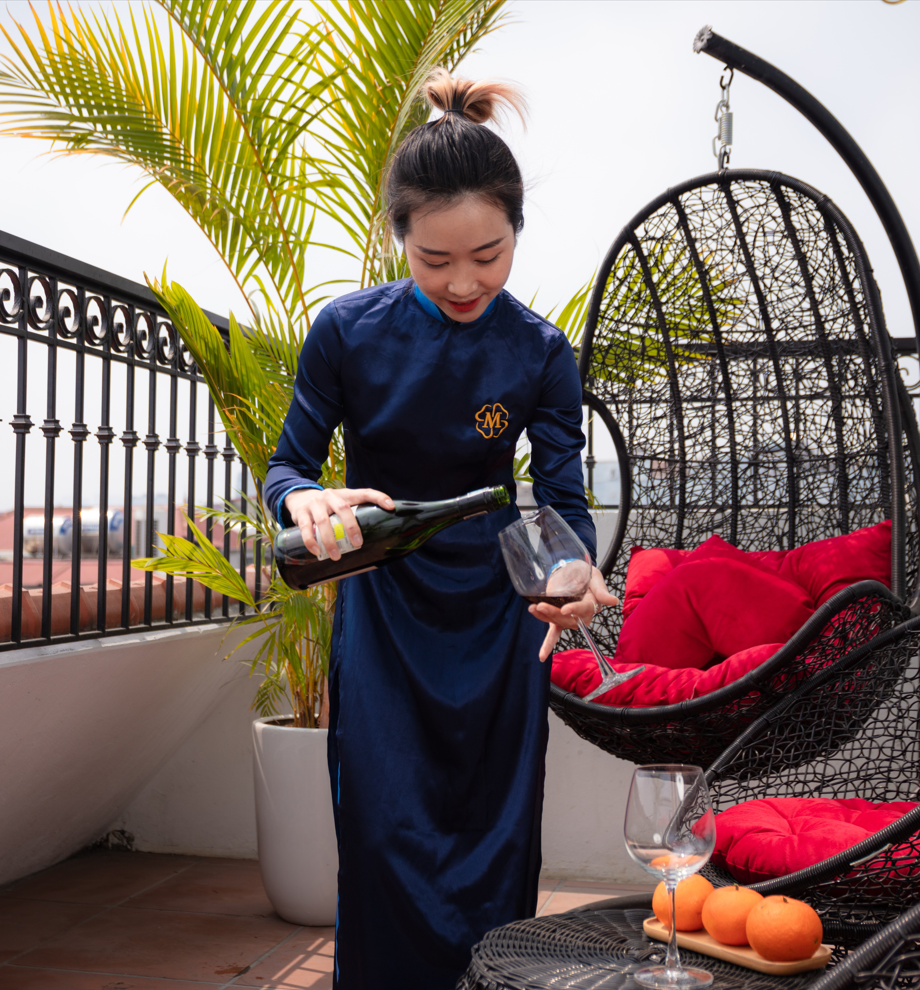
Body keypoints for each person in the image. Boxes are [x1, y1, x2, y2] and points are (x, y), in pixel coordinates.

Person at [263, 68, 615, 990]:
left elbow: (561, 502)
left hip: (499, 608)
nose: (465, 281)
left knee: (494, 826)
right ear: (400, 240)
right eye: (436, 261)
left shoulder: (538, 352)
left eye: (489, 256)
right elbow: (287, 468)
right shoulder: (346, 331)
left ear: (515, 233)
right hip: (383, 600)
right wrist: (305, 501)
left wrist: (574, 573)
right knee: (382, 823)